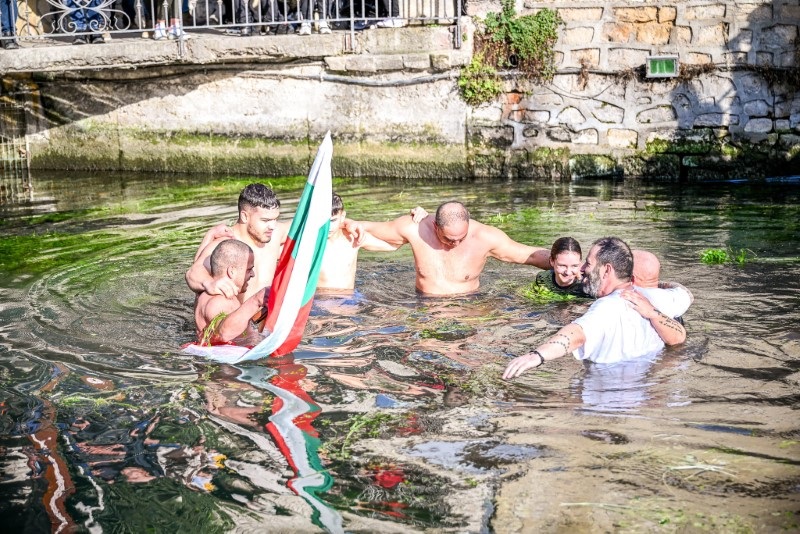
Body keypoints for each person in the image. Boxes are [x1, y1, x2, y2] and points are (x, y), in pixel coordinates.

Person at [503, 236, 688, 379]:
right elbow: (681, 327)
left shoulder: (606, 307)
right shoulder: (654, 298)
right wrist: (654, 309)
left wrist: (537, 355)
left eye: (588, 263)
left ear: (607, 270)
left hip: (607, 391)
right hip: (647, 382)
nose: (582, 269)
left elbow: (576, 334)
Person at [187, 183, 364, 301]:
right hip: (238, 321)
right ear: (245, 216)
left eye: (275, 219)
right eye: (265, 220)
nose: (272, 226)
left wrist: (347, 223)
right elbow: (193, 273)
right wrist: (209, 283)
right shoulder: (228, 242)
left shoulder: (276, 232)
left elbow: (313, 223)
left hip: (266, 318)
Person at [358, 200, 551, 295]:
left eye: (461, 238)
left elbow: (530, 256)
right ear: (436, 227)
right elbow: (368, 228)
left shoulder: (485, 237)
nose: (456, 244)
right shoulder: (415, 229)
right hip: (424, 306)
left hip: (467, 305)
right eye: (449, 239)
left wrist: (566, 263)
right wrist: (345, 224)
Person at [317, 192, 397, 292]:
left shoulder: (353, 237)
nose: (329, 227)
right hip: (320, 299)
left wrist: (415, 217)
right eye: (323, 221)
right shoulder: (310, 241)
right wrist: (347, 222)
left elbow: (393, 245)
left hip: (350, 298)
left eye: (333, 220)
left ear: (342, 216)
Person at [194, 239, 269, 344]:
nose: (253, 274)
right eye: (249, 269)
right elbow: (224, 333)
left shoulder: (204, 294)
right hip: (229, 353)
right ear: (232, 271)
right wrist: (257, 300)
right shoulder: (221, 300)